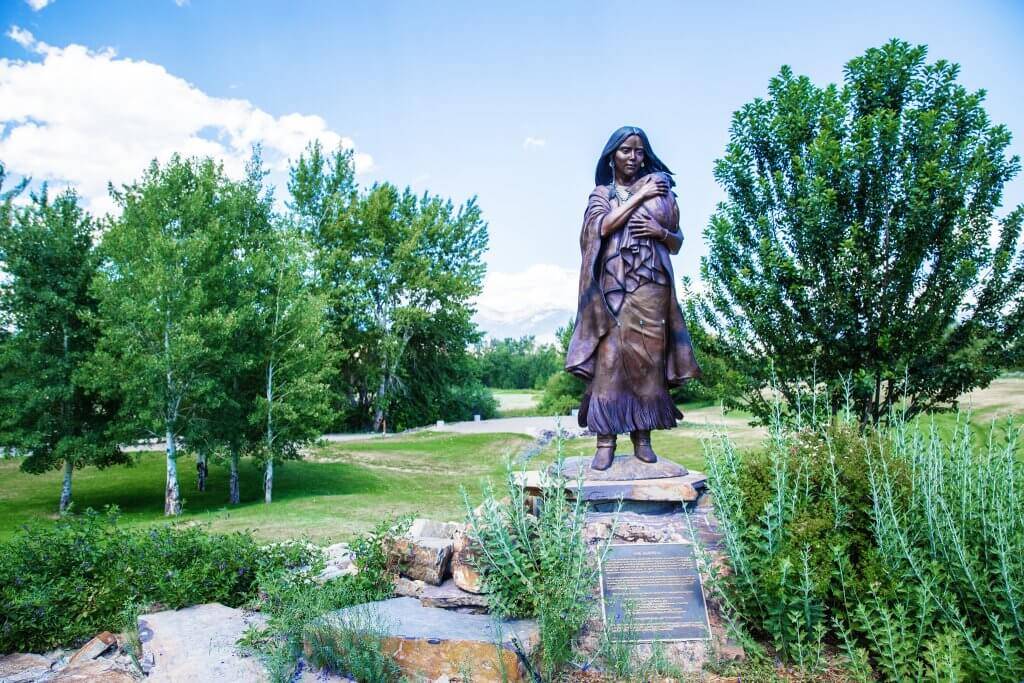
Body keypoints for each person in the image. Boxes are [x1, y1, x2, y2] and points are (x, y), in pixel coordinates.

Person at [565, 126, 701, 470]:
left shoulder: (662, 192)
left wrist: (662, 232)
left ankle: (643, 437)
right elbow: (603, 227)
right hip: (613, 289)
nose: (633, 157)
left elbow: (678, 240)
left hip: (651, 283)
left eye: (639, 151)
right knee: (610, 362)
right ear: (612, 155)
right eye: (626, 150)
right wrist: (639, 196)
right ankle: (605, 442)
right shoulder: (602, 193)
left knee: (649, 363)